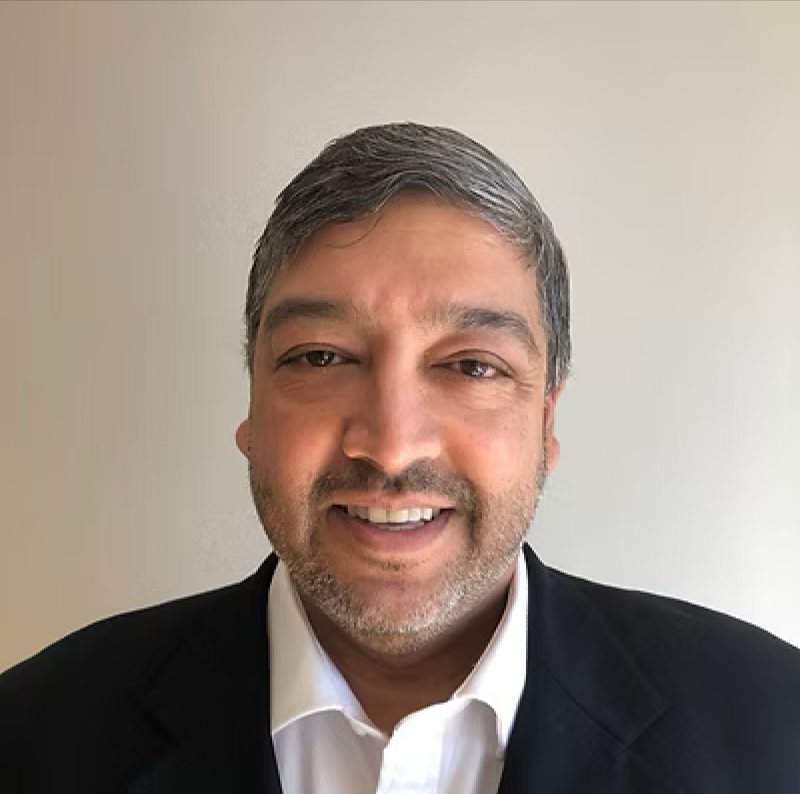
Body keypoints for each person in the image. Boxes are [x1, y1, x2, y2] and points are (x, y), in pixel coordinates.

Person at [1, 122, 799, 794]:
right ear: (251, 408)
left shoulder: (774, 727)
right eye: (320, 357)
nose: (389, 443)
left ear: (545, 419)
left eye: (471, 365)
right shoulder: (33, 740)